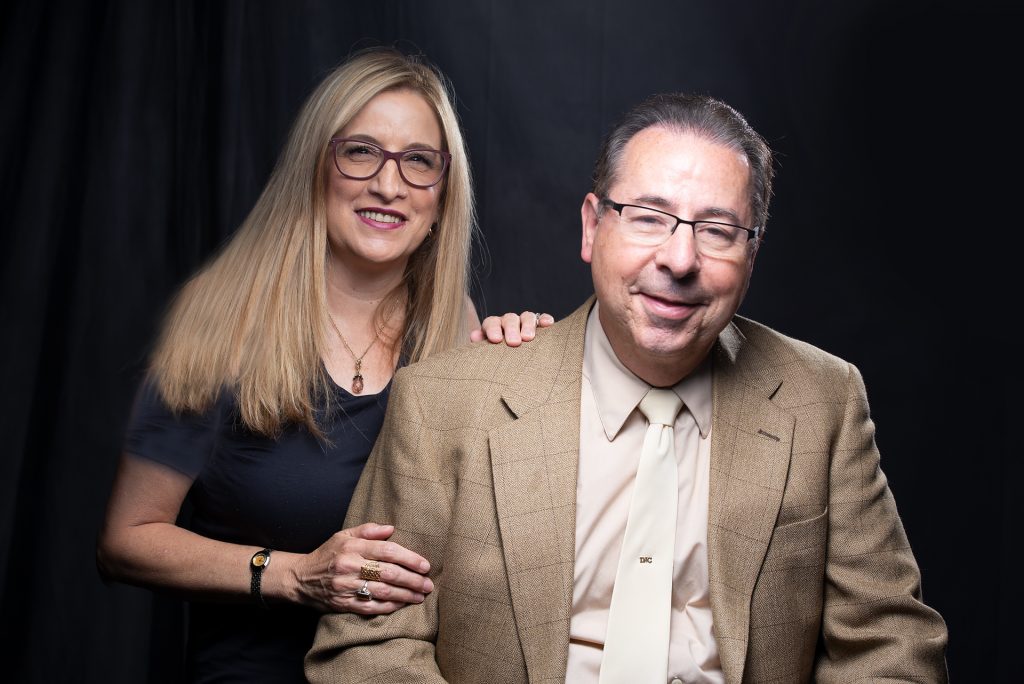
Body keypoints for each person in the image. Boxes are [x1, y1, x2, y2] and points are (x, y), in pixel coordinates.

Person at [306, 92, 949, 683]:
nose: (679, 260)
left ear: (752, 254)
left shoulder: (823, 401)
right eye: (648, 217)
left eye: (718, 231)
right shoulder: (446, 404)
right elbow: (367, 648)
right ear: (592, 227)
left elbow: (892, 645)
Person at [96, 47, 552, 683]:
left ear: (444, 195)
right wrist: (292, 575)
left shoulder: (456, 327)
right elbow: (125, 541)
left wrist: (526, 367)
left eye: (419, 162)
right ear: (316, 166)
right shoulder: (217, 325)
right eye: (361, 151)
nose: (389, 185)